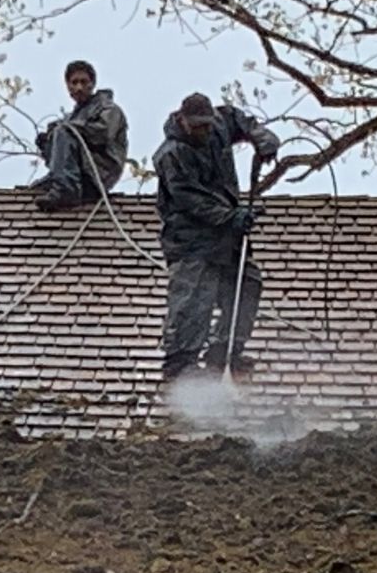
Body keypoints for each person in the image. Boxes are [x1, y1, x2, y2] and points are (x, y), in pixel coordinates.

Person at [153, 92, 279, 380]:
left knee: (247, 283)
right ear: (182, 121)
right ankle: (181, 362)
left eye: (207, 125)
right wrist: (230, 216)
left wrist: (261, 137)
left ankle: (225, 348)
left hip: (226, 235)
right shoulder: (171, 154)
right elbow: (189, 199)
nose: (205, 131)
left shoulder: (219, 124)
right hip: (190, 239)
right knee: (195, 297)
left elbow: (238, 118)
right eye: (198, 126)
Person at [29, 61, 128, 211]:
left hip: (99, 173)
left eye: (84, 82)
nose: (79, 87)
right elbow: (63, 155)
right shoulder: (70, 118)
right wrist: (48, 143)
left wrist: (66, 129)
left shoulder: (109, 109)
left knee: (63, 131)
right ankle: (61, 183)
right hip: (79, 174)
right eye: (74, 83)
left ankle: (67, 190)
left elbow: (103, 133)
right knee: (34, 189)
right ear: (68, 86)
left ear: (92, 84)